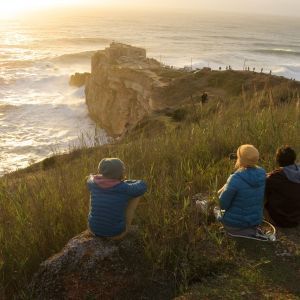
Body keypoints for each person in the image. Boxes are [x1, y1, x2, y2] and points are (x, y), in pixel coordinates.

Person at [87, 158, 147, 239]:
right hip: (115, 234)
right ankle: (126, 225)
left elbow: (89, 179)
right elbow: (142, 186)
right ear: (120, 172)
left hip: (93, 230)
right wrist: (127, 182)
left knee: (94, 192)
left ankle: (99, 223)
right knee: (136, 194)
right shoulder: (124, 188)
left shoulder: (93, 183)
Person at [218, 145, 267, 239]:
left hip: (234, 224)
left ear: (240, 159)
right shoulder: (262, 173)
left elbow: (222, 204)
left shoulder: (235, 178)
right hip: (255, 222)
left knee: (214, 208)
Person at [265, 146, 300, 228]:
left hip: (282, 219)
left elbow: (263, 180)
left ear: (278, 160)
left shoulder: (275, 177)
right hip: (297, 217)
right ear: (294, 158)